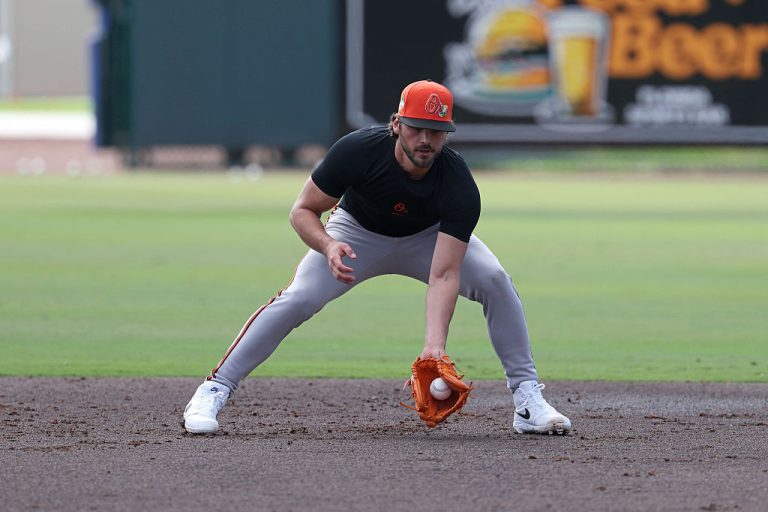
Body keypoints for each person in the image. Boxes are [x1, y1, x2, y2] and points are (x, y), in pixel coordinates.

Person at [183, 79, 571, 435]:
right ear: (396, 124)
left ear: (446, 134)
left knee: (494, 279)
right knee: (299, 298)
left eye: (436, 131)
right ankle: (214, 388)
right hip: (355, 234)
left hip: (426, 237)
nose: (425, 139)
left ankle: (527, 401)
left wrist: (434, 346)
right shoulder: (358, 150)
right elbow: (302, 210)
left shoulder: (458, 184)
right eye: (416, 127)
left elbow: (445, 274)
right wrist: (328, 245)